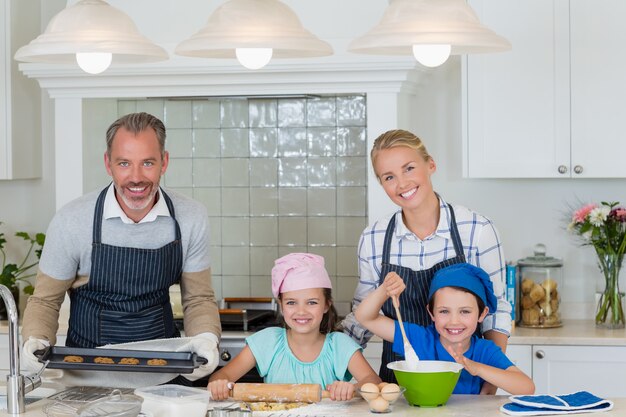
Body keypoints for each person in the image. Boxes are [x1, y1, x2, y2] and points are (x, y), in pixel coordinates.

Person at [20, 112, 221, 384]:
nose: (136, 177)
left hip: (162, 375)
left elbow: (198, 299)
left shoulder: (190, 217)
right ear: (108, 163)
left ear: (164, 162)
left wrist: (206, 338)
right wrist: (36, 339)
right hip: (86, 375)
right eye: (124, 163)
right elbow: (45, 300)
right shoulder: (72, 220)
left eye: (148, 162)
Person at [342, 129, 511, 391]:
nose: (401, 183)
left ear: (430, 164)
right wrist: (334, 363)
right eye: (389, 177)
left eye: (409, 168)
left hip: (465, 382)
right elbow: (361, 316)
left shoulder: (477, 230)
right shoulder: (374, 238)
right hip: (397, 384)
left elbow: (496, 311)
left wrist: (488, 386)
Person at [208, 253, 381, 401]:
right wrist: (220, 384)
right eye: (291, 302)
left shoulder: (339, 345)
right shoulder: (267, 341)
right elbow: (221, 377)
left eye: (312, 302)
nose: (301, 311)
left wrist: (352, 388)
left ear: (327, 305)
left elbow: (373, 380)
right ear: (281, 306)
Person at [355, 263, 534, 395]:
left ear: (482, 314)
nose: (454, 321)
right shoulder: (418, 339)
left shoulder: (484, 352)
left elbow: (527, 387)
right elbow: (365, 317)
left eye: (464, 311)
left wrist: (477, 368)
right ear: (431, 313)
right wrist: (385, 290)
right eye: (444, 311)